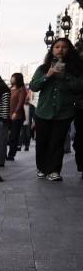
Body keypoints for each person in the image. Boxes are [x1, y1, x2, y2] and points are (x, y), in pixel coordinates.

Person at [30, 37, 83, 181]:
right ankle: (41, 168)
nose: (60, 49)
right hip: (43, 111)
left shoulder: (76, 69)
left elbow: (79, 86)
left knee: (57, 142)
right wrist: (48, 76)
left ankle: (54, 170)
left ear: (69, 50)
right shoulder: (42, 68)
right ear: (52, 50)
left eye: (64, 47)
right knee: (42, 141)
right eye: (57, 46)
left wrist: (65, 76)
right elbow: (33, 86)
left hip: (64, 112)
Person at [7, 73, 27, 161]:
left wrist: (16, 112)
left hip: (17, 116)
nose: (11, 79)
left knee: (14, 136)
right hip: (8, 115)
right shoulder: (10, 89)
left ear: (17, 79)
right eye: (11, 77)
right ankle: (5, 153)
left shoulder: (21, 89)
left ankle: (11, 154)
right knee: (7, 135)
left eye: (13, 78)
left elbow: (20, 102)